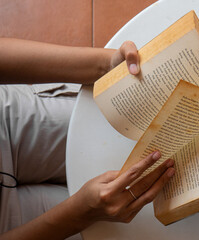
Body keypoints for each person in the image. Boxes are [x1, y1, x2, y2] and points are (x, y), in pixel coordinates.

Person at [0, 38, 175, 239]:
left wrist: (106, 67)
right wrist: (80, 213)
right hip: (9, 226)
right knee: (137, 219)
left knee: (113, 132)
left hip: (8, 124)